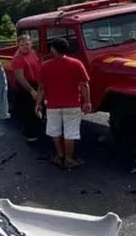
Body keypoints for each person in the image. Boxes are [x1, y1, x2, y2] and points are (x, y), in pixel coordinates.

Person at [34, 38, 92, 169]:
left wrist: (38, 103)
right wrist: (87, 102)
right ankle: (69, 159)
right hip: (72, 104)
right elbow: (84, 85)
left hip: (53, 105)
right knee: (70, 133)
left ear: (53, 50)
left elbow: (42, 88)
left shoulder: (46, 66)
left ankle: (60, 155)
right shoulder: (77, 64)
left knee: (55, 131)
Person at [6, 33, 43, 142]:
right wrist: (31, 90)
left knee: (39, 108)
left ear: (31, 44)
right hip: (26, 87)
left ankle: (38, 130)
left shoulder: (33, 53)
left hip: (37, 84)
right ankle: (31, 136)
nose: (25, 46)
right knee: (29, 111)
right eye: (22, 45)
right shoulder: (18, 59)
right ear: (19, 46)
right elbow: (20, 78)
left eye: (27, 44)